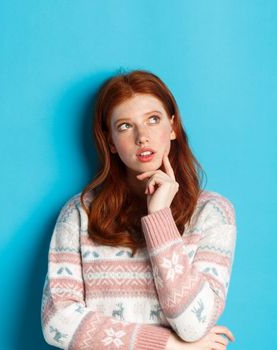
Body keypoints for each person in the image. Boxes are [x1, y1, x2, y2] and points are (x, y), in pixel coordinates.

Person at [41, 70, 237, 349]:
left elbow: (193, 324)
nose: (142, 137)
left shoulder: (213, 213)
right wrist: (170, 346)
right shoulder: (80, 212)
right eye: (124, 126)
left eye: (153, 120)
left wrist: (159, 220)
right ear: (110, 142)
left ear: (173, 127)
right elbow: (56, 322)